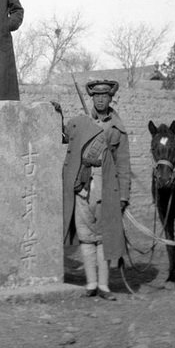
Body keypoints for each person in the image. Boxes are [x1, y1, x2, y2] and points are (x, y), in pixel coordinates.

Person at [62, 79, 131, 299]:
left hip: (106, 186)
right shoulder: (80, 122)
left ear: (111, 98)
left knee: (104, 237)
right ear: (91, 98)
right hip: (81, 186)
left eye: (105, 96)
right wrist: (57, 114)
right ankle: (91, 284)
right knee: (85, 235)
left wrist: (124, 195)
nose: (100, 99)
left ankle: (104, 286)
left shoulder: (117, 128)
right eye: (96, 96)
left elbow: (123, 163)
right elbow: (63, 136)